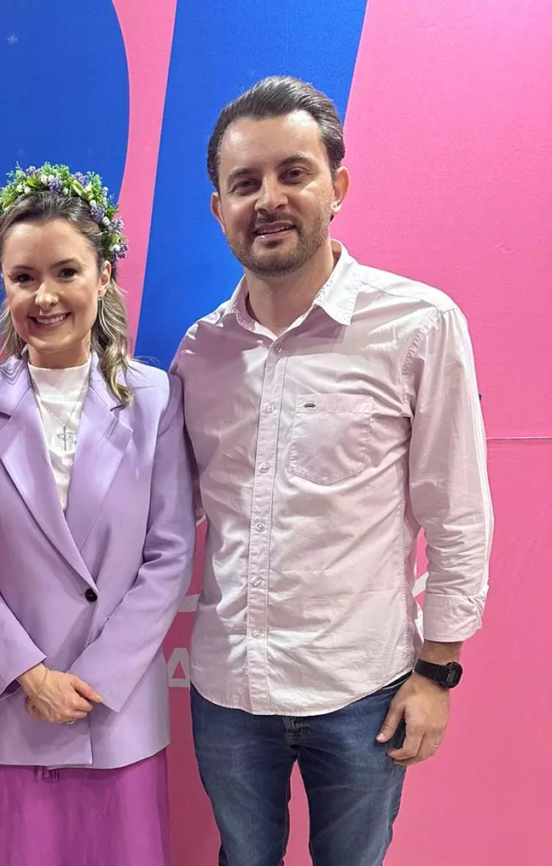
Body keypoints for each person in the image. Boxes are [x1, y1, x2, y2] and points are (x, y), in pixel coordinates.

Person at [173, 75, 494, 866]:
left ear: (337, 187)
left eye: (293, 173)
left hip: (363, 690)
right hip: (229, 690)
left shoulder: (417, 325)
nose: (269, 200)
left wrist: (438, 673)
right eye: (244, 183)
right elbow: (167, 513)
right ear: (218, 208)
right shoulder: (200, 353)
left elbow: (457, 514)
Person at [0, 163, 195, 866]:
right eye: (24, 278)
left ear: (103, 276)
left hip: (119, 713)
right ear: (4, 284)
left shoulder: (154, 399)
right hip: (22, 711)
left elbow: (170, 555)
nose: (44, 297)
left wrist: (96, 679)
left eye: (66, 272)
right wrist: (32, 677)